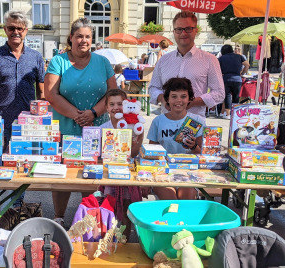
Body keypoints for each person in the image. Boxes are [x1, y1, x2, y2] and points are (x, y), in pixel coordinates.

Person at [44, 17, 117, 226]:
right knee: (62, 175)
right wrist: (77, 114)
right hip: (65, 126)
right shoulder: (59, 61)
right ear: (71, 38)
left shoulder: (102, 62)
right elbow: (50, 93)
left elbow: (113, 93)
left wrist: (93, 113)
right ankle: (58, 216)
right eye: (79, 36)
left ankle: (88, 217)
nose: (83, 40)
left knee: (91, 174)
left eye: (87, 37)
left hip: (95, 127)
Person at [0, 10, 45, 148]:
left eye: (19, 28)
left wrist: (41, 119)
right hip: (1, 120)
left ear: (26, 31)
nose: (15, 31)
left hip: (28, 121)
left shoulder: (36, 57)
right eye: (11, 28)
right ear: (5, 30)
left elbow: (42, 91)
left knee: (27, 160)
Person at [149, 11, 224, 121]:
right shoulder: (164, 60)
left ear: (195, 31)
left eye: (188, 28)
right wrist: (163, 99)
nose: (183, 33)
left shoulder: (209, 60)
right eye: (179, 29)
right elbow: (153, 87)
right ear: (174, 32)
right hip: (166, 124)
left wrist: (194, 102)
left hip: (194, 124)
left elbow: (219, 93)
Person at [98, 89, 145, 238]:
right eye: (112, 104)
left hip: (127, 174)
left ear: (126, 105)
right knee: (108, 207)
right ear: (106, 107)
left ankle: (124, 239)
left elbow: (135, 153)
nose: (116, 107)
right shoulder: (103, 128)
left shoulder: (136, 127)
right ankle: (108, 238)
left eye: (120, 103)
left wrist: (133, 140)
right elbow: (99, 155)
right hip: (108, 175)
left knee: (127, 207)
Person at [147, 77, 204, 200]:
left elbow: (204, 155)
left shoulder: (197, 121)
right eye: (174, 96)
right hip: (163, 172)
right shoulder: (158, 121)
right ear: (167, 99)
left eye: (183, 96)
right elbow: (151, 152)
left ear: (189, 99)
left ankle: (185, 220)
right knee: (170, 198)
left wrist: (193, 146)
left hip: (189, 172)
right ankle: (169, 220)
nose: (179, 100)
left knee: (186, 198)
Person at [217, 44, 250, 119]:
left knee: (227, 96)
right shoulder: (239, 56)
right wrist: (242, 73)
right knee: (236, 96)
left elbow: (217, 69)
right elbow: (247, 65)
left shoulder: (221, 58)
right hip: (237, 79)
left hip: (226, 78)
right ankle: (234, 114)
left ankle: (228, 114)